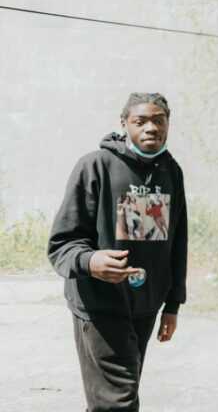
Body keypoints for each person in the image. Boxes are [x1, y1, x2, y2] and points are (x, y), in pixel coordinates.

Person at [48, 92, 188, 412]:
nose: (151, 127)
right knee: (117, 401)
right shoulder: (96, 166)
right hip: (100, 304)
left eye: (159, 120)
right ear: (124, 123)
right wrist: (91, 260)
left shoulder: (171, 172)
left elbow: (178, 241)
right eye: (140, 121)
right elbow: (62, 243)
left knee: (112, 396)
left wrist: (172, 304)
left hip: (145, 305)